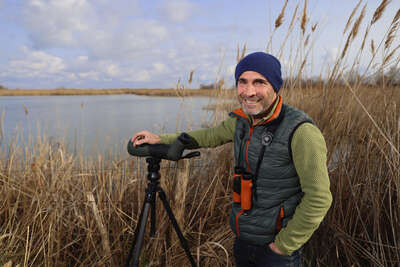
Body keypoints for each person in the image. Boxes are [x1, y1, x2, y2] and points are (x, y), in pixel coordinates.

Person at [131, 52, 332, 267]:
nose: (249, 92)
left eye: (259, 82)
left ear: (275, 86)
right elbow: (209, 136)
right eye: (242, 82)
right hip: (243, 239)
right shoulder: (241, 121)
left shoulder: (302, 132)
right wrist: (161, 138)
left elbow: (319, 198)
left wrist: (283, 246)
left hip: (276, 250)